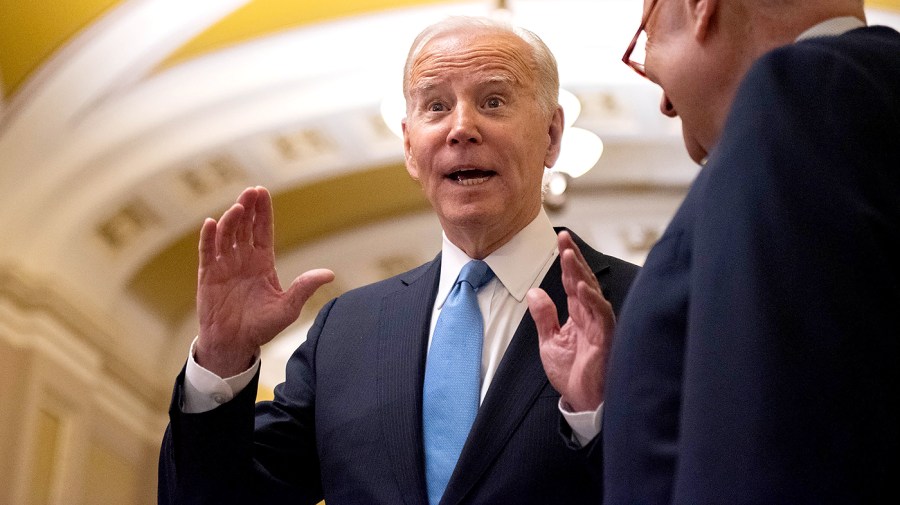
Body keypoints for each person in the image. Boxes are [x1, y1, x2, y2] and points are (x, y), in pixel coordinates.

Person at [158, 16, 640, 505]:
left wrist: (595, 420)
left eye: (493, 101)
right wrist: (221, 361)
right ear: (410, 146)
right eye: (436, 106)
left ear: (553, 135)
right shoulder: (346, 331)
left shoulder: (640, 305)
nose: (461, 128)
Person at [530, 0, 900, 503]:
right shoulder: (858, 101)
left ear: (699, 7)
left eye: (648, 30)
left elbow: (770, 451)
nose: (664, 103)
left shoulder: (797, 101)